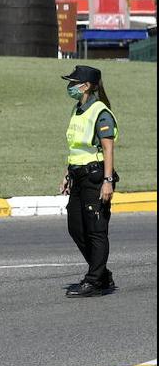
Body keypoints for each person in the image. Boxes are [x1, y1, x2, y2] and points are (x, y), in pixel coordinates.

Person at [60, 64, 120, 299]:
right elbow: (75, 147)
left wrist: (107, 181)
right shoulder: (78, 110)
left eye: (73, 82)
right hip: (78, 175)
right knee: (75, 227)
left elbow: (108, 149)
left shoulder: (100, 112)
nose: (70, 86)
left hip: (95, 177)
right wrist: (66, 174)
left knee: (96, 230)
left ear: (85, 86)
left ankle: (95, 281)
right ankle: (102, 273)